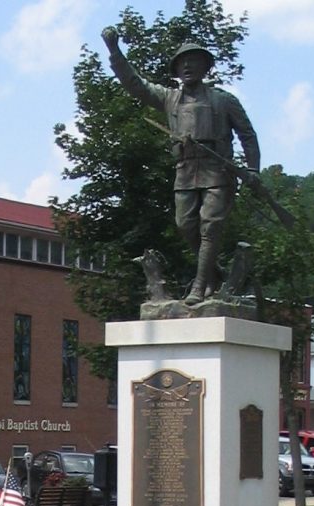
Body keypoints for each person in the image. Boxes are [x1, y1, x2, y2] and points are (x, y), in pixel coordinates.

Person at [102, 27, 260, 305]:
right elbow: (135, 84)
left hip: (217, 171)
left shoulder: (224, 101)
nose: (187, 66)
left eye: (193, 60)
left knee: (209, 227)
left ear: (205, 66)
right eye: (182, 62)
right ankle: (213, 274)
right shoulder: (169, 98)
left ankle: (199, 285)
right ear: (176, 69)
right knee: (185, 225)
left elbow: (248, 135)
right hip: (185, 172)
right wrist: (114, 51)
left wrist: (253, 170)